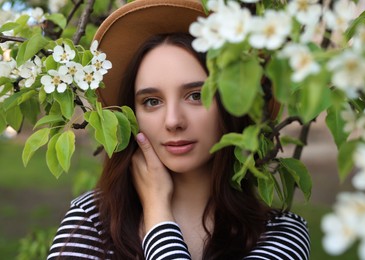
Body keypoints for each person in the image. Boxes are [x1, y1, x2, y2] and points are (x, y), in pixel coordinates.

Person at [47, 0, 310, 259]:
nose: (173, 121)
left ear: (233, 104)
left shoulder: (281, 234)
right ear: (131, 115)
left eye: (196, 96)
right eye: (152, 101)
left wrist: (157, 214)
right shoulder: (92, 224)